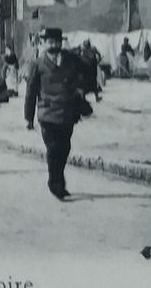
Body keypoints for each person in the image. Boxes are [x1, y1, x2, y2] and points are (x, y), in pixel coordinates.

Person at [22, 27, 96, 201]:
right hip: (46, 113)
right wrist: (28, 117)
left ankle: (57, 180)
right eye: (50, 42)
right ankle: (56, 184)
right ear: (43, 43)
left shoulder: (71, 59)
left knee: (65, 149)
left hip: (67, 112)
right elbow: (30, 92)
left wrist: (82, 88)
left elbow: (87, 72)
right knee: (53, 148)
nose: (54, 45)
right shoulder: (37, 64)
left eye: (56, 42)